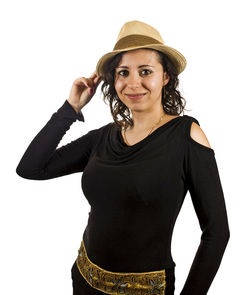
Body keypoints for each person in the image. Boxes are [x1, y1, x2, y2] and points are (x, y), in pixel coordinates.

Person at [16, 20, 230, 295]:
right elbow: (31, 168)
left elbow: (217, 233)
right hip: (84, 278)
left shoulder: (187, 136)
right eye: (123, 73)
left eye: (145, 71)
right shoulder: (104, 137)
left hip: (147, 290)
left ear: (165, 76)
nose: (133, 83)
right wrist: (70, 108)